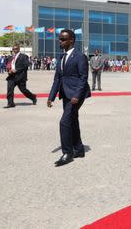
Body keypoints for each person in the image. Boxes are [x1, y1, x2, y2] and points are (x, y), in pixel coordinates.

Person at [47, 29, 91, 167]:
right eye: (59, 39)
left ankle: (67, 153)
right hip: (65, 93)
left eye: (63, 39)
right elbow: (57, 78)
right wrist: (51, 96)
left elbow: (83, 78)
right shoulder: (61, 57)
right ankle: (79, 149)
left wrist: (77, 96)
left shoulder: (80, 56)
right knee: (72, 120)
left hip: (76, 94)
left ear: (71, 40)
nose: (60, 41)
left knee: (64, 122)